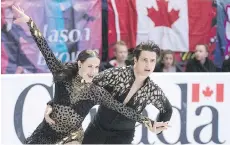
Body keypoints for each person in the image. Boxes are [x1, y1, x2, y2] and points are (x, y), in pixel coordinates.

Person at [12, 6, 164, 144]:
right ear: (80, 64)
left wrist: (148, 122)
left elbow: (122, 108)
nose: (93, 71)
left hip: (72, 136)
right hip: (47, 132)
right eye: (89, 66)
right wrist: (29, 21)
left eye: (97, 67)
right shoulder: (62, 74)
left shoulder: (96, 92)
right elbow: (44, 47)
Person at [46, 41, 173, 143]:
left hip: (123, 137)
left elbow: (167, 109)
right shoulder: (116, 75)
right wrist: (53, 103)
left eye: (152, 61)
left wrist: (158, 130)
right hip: (97, 129)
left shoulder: (152, 90)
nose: (148, 65)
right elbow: (84, 85)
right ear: (135, 60)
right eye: (145, 60)